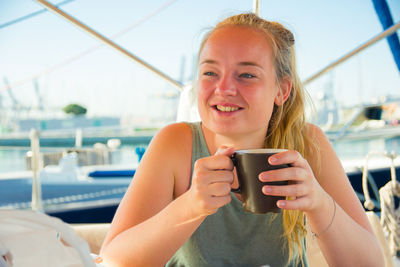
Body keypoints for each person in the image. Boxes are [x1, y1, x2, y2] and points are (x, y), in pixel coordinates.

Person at [100, 13, 384, 266]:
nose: (223, 89)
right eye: (210, 73)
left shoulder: (308, 143)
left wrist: (319, 202)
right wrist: (191, 205)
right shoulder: (175, 143)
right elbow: (112, 260)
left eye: (247, 74)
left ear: (281, 90)